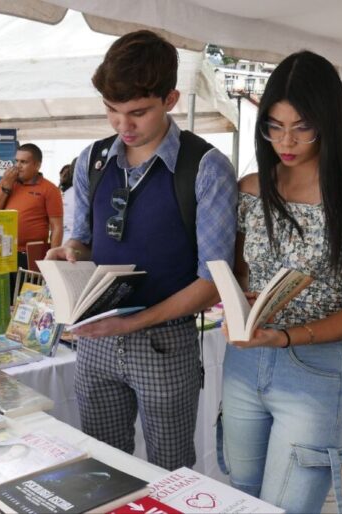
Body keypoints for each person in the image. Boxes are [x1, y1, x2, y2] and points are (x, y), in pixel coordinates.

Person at [46, 30, 237, 470]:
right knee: (103, 467)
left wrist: (134, 323)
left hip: (164, 344)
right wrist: (69, 252)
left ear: (171, 99)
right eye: (111, 111)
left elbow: (213, 284)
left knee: (171, 472)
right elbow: (84, 240)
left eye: (138, 112)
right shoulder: (91, 161)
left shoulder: (205, 168)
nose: (123, 126)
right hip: (94, 342)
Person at [218, 51, 342, 514]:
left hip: (314, 370)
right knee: (241, 496)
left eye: (301, 126)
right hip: (243, 364)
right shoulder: (252, 190)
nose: (286, 140)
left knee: (288, 507)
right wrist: (243, 300)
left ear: (329, 123)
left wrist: (288, 335)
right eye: (273, 126)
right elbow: (238, 273)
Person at [0, 143, 63, 276]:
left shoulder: (49, 189)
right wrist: (6, 187)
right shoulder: (7, 182)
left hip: (30, 255)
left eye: (23, 162)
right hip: (2, 252)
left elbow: (57, 227)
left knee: (25, 295)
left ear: (37, 165)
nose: (18, 166)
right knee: (3, 295)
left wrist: (52, 259)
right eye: (16, 161)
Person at [59, 162, 75, 242]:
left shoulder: (75, 193)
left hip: (71, 238)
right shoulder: (59, 192)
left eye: (66, 175)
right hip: (61, 237)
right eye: (62, 174)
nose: (63, 176)